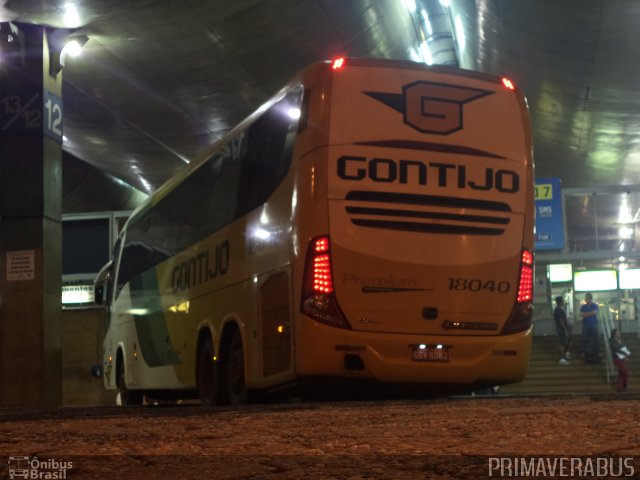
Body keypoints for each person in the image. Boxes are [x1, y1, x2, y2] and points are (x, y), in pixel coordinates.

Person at [580, 293, 600, 363]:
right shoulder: (583, 307)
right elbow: (582, 315)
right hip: (586, 325)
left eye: (587, 298)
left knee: (596, 339)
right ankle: (584, 353)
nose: (586, 299)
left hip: (593, 325)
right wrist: (590, 313)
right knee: (585, 339)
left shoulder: (594, 305)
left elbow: (595, 313)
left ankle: (597, 353)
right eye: (585, 298)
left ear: (590, 298)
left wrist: (586, 314)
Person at [609, 328, 630, 392]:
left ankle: (620, 387)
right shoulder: (611, 340)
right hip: (616, 358)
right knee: (624, 370)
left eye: (619, 332)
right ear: (614, 334)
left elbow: (624, 348)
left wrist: (626, 354)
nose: (619, 334)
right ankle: (624, 386)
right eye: (617, 333)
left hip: (622, 357)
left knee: (621, 373)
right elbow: (615, 349)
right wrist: (625, 353)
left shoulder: (620, 341)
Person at [553, 296, 571, 365]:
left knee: (565, 342)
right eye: (563, 300)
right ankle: (562, 359)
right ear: (560, 302)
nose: (564, 301)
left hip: (561, 329)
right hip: (561, 329)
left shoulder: (559, 309)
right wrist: (565, 330)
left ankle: (564, 356)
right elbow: (561, 320)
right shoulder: (558, 310)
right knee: (562, 344)